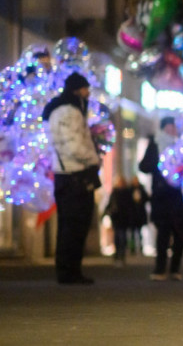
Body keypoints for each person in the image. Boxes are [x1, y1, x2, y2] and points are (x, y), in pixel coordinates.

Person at [42, 71, 101, 285]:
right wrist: (93, 159)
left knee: (68, 225)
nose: (88, 93)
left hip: (64, 174)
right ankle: (70, 272)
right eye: (85, 88)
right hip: (74, 174)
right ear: (77, 89)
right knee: (75, 225)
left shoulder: (60, 110)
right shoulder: (69, 112)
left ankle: (68, 270)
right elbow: (74, 145)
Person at [139, 117, 183, 281]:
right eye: (168, 127)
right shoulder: (155, 145)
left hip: (180, 195)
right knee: (162, 233)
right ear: (163, 129)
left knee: (180, 234)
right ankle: (160, 268)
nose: (171, 130)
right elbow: (143, 166)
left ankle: (175, 269)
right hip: (162, 196)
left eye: (174, 127)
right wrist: (162, 163)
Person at [104, 175, 134, 266]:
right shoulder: (115, 192)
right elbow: (110, 204)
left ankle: (121, 254)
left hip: (123, 218)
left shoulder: (127, 192)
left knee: (122, 236)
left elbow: (130, 206)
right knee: (117, 236)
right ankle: (118, 254)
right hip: (117, 218)